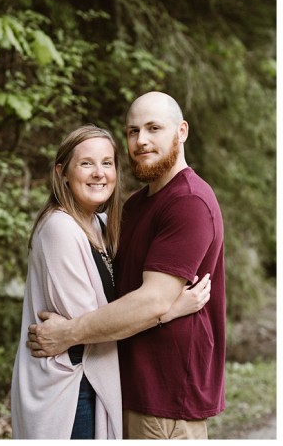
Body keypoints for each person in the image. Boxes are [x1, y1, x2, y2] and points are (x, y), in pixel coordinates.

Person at [27, 91, 226, 439]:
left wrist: (68, 333)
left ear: (181, 132)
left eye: (153, 128)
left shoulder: (189, 202)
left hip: (168, 399)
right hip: (125, 389)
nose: (142, 140)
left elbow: (152, 300)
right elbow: (120, 289)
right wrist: (171, 308)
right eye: (133, 131)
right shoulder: (134, 206)